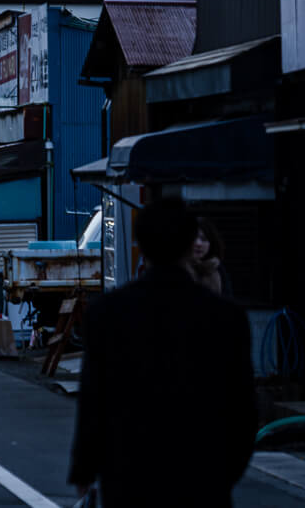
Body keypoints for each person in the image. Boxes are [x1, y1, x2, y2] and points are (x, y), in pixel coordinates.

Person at [68, 197, 255, 507]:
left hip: (129, 475)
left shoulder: (108, 313)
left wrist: (84, 467)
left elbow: (94, 399)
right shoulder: (225, 316)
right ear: (187, 243)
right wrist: (225, 473)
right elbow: (242, 410)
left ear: (141, 243)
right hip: (202, 475)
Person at [193, 216, 233, 298]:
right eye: (193, 238)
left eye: (204, 239)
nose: (198, 244)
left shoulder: (215, 267)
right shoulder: (176, 268)